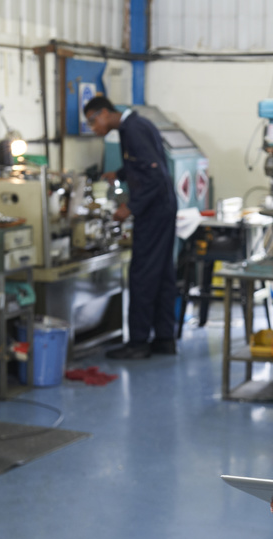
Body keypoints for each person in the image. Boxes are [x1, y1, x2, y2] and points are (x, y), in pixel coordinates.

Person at [84, 95, 178, 360]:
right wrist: (120, 174)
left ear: (104, 113)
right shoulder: (136, 125)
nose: (94, 128)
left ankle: (137, 343)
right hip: (164, 208)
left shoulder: (133, 130)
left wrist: (130, 208)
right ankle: (164, 338)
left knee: (142, 275)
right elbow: (143, 163)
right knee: (162, 275)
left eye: (93, 122)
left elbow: (155, 176)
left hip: (154, 212)